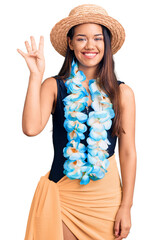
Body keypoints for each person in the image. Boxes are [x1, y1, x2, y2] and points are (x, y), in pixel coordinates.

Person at [17, 4, 137, 240]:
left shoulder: (123, 94)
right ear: (70, 43)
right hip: (63, 196)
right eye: (81, 38)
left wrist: (127, 206)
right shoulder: (54, 86)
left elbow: (128, 153)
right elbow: (31, 128)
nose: (90, 46)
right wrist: (35, 75)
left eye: (97, 38)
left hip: (105, 200)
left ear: (107, 44)